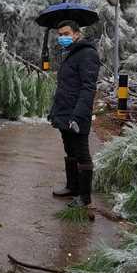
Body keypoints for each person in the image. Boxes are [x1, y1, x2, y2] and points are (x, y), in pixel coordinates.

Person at [48, 19, 101, 208]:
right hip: (64, 112)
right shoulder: (70, 54)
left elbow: (88, 88)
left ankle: (84, 197)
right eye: (60, 34)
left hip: (77, 114)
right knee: (70, 150)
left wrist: (77, 116)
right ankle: (72, 187)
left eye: (66, 34)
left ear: (77, 34)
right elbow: (66, 87)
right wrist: (55, 112)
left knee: (82, 154)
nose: (62, 37)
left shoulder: (87, 54)